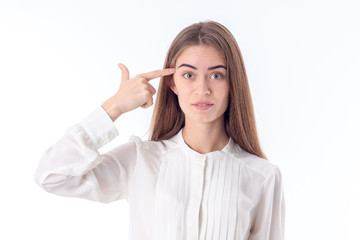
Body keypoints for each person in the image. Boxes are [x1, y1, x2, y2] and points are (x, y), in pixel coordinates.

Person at [34, 20, 285, 240]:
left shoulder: (262, 177)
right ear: (172, 83)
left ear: (233, 84)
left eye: (216, 76)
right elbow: (51, 176)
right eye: (188, 75)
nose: (202, 89)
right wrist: (114, 107)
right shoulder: (140, 160)